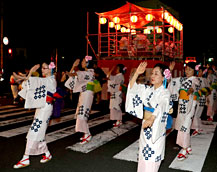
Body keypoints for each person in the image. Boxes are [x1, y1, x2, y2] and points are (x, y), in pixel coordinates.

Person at [126, 62, 171, 172]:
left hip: (155, 127)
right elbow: (132, 88)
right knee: (143, 155)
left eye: (156, 74)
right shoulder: (148, 90)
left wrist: (152, 118)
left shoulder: (165, 92)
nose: (152, 76)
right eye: (152, 73)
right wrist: (137, 73)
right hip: (146, 125)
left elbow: (162, 105)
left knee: (152, 157)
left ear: (163, 77)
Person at [13, 61, 57, 168]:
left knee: (34, 130)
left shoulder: (51, 80)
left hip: (45, 108)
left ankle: (25, 157)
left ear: (51, 69)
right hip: (42, 107)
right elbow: (33, 85)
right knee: (39, 132)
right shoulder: (46, 80)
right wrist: (26, 77)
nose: (42, 70)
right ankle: (47, 153)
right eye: (42, 68)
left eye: (44, 68)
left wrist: (29, 74)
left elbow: (35, 82)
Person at [169, 62, 199, 161]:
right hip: (182, 106)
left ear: (194, 71)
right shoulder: (183, 80)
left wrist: (191, 90)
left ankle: (184, 149)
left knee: (184, 128)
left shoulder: (195, 79)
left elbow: (194, 87)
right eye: (186, 69)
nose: (187, 71)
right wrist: (170, 70)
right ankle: (188, 146)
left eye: (189, 69)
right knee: (182, 126)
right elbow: (171, 81)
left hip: (189, 107)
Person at [65, 56, 95, 144]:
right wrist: (73, 67)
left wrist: (72, 69)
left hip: (87, 95)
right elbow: (78, 74)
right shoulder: (88, 72)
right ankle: (86, 133)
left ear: (87, 63)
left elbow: (76, 74)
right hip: (85, 94)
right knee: (81, 114)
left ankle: (87, 134)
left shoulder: (89, 72)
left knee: (82, 114)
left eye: (83, 61)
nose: (82, 63)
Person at [191, 65, 209, 136]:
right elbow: (208, 90)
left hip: (199, 97)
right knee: (198, 113)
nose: (198, 72)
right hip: (201, 97)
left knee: (196, 113)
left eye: (200, 71)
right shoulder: (204, 80)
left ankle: (196, 129)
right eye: (198, 71)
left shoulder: (199, 79)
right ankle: (198, 127)